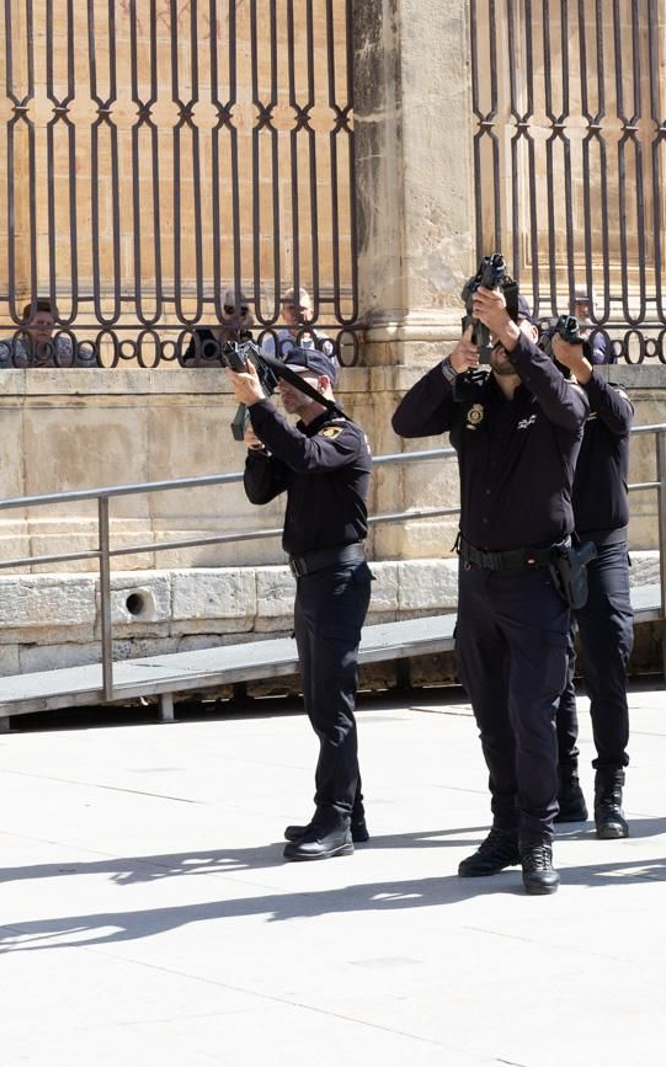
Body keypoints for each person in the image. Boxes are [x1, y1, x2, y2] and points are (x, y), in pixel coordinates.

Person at [391, 287, 588, 895]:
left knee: (533, 716)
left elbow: (571, 408)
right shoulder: (470, 395)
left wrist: (515, 337)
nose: (497, 344)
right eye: (486, 332)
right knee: (491, 718)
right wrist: (454, 362)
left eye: (507, 331)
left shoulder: (557, 396)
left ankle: (537, 838)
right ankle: (504, 829)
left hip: (535, 582)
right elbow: (405, 422)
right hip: (477, 582)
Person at [230, 346, 373, 860]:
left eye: (294, 380)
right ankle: (350, 812)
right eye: (280, 381)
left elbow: (308, 459)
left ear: (324, 384)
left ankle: (334, 820)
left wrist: (264, 410)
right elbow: (260, 491)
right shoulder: (300, 438)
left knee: (333, 704)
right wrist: (255, 445)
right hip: (311, 580)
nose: (284, 389)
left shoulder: (343, 435)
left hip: (338, 578)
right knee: (319, 701)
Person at [550, 305, 637, 839]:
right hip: (554, 546)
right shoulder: (553, 406)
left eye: (588, 365)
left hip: (603, 547)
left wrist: (582, 369)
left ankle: (611, 789)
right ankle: (566, 786)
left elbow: (619, 414)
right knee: (552, 675)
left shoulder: (613, 403)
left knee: (608, 667)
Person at [0, 298, 97, 368]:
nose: (44, 328)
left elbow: (94, 359)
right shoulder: (10, 346)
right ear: (26, 323)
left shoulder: (64, 345)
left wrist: (62, 362)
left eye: (49, 324)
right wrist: (14, 363)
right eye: (40, 323)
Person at [182, 288, 257, 367]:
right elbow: (187, 362)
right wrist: (219, 364)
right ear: (221, 310)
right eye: (230, 309)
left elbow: (256, 366)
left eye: (241, 311)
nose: (235, 315)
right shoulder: (202, 334)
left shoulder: (245, 337)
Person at [261, 287, 336, 360]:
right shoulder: (271, 344)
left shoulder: (325, 343)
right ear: (283, 315)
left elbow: (333, 371)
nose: (296, 313)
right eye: (291, 308)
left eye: (302, 308)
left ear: (311, 313)